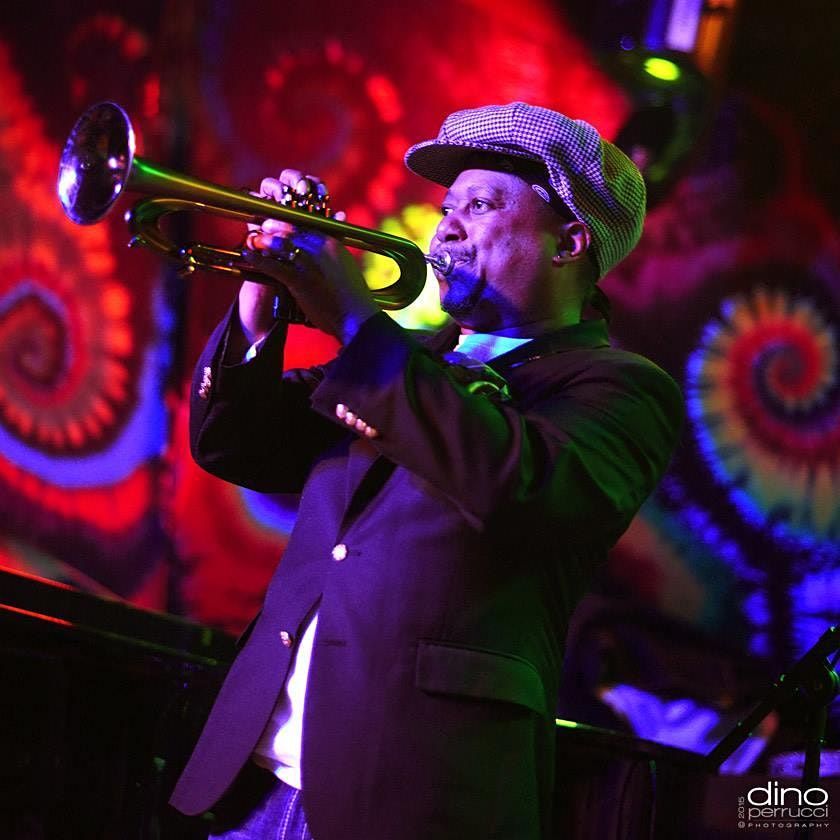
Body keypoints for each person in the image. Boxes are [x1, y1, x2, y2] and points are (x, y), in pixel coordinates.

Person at [169, 102, 684, 840]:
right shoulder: (410, 362)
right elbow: (232, 442)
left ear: (570, 241)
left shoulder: (620, 390)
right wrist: (260, 299)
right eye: (447, 208)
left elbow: (512, 484)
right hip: (255, 788)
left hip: (416, 803)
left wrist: (353, 320)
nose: (446, 229)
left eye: (481, 205)